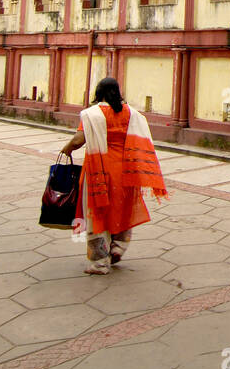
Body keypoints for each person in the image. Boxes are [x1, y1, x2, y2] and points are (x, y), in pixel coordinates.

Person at [58, 77, 168, 274]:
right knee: (121, 209)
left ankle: (100, 262)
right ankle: (118, 247)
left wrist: (66, 149)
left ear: (98, 93)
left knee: (97, 214)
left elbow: (78, 140)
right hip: (124, 171)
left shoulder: (92, 114)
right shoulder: (130, 113)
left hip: (98, 170)